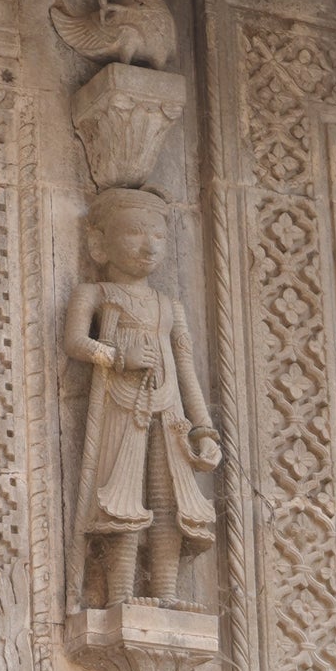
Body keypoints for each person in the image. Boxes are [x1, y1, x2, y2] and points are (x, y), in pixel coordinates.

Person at [63, 187, 220, 609]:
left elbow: (185, 368)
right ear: (98, 243)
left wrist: (204, 428)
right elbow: (76, 341)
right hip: (121, 405)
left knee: (168, 497)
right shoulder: (96, 294)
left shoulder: (169, 305)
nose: (148, 245)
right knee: (123, 498)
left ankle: (165, 594)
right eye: (134, 232)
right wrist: (115, 357)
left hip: (168, 411)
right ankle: (121, 597)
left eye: (158, 235)